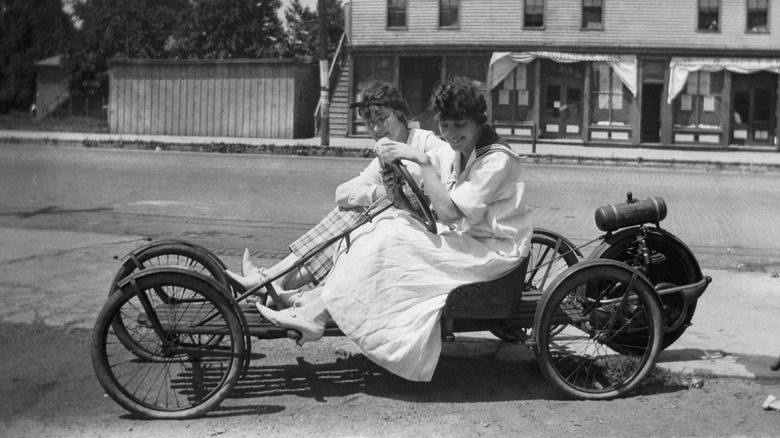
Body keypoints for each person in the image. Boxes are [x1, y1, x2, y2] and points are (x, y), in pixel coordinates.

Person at [257, 77, 533, 382]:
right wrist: (410, 161)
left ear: (477, 121)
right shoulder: (463, 149)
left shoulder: (496, 158)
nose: (452, 135)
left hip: (494, 252)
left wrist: (422, 162)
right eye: (445, 125)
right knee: (386, 226)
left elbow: (450, 213)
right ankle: (313, 306)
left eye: (460, 125)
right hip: (470, 239)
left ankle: (313, 311)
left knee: (392, 241)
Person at [226, 81, 449, 302]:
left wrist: (411, 171)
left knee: (355, 217)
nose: (377, 129)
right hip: (400, 226)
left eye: (382, 119)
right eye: (369, 123)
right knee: (348, 218)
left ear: (400, 113)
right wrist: (378, 193)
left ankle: (268, 281)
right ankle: (272, 285)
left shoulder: (422, 140)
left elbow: (446, 161)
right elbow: (343, 192)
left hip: (429, 231)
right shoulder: (383, 155)